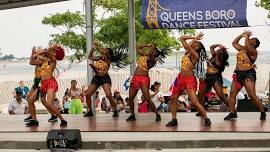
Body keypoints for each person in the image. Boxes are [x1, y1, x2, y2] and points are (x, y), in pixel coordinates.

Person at [166, 33, 211, 127]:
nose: (194, 44)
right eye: (195, 43)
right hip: (180, 78)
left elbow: (186, 44)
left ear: (198, 48)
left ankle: (206, 118)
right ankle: (174, 119)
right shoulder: (187, 52)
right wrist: (194, 38)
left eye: (197, 44)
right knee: (173, 99)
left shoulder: (195, 55)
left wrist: (194, 40)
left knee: (195, 102)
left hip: (189, 80)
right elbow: (182, 38)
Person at [224, 30, 266, 120]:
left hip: (248, 74)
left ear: (254, 44)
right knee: (232, 94)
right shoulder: (243, 49)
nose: (250, 38)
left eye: (252, 39)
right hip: (238, 74)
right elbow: (234, 43)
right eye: (250, 38)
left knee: (252, 96)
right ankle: (232, 113)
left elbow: (247, 45)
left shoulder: (253, 51)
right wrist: (241, 35)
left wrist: (246, 37)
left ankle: (262, 111)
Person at [25, 44, 67, 127]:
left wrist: (48, 49)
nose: (52, 52)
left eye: (54, 52)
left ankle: (62, 120)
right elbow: (32, 61)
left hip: (50, 83)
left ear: (55, 54)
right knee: (30, 101)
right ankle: (34, 120)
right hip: (43, 84)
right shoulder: (44, 60)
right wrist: (33, 53)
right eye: (52, 51)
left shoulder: (53, 60)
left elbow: (46, 52)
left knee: (49, 104)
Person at [83, 42, 128, 117]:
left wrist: (99, 46)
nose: (104, 50)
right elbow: (90, 57)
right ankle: (90, 111)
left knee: (109, 95)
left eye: (106, 50)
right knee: (88, 95)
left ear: (108, 53)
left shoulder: (108, 59)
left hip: (105, 78)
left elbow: (105, 53)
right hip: (97, 78)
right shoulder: (99, 57)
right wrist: (93, 48)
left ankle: (115, 110)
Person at [126, 44, 167, 121]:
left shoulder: (153, 60)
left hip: (144, 79)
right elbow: (137, 47)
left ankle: (157, 114)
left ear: (155, 53)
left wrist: (152, 47)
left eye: (154, 50)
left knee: (147, 98)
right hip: (135, 78)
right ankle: (132, 115)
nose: (152, 50)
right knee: (130, 98)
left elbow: (151, 53)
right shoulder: (144, 55)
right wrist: (147, 45)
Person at [24, 47, 58, 123]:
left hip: (40, 82)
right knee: (39, 100)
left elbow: (32, 62)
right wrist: (33, 53)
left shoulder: (42, 61)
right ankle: (51, 115)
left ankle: (35, 117)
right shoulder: (40, 60)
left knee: (31, 100)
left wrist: (35, 53)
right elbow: (31, 61)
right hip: (36, 82)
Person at [197, 44, 230, 116]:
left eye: (219, 50)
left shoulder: (220, 60)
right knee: (200, 94)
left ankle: (233, 110)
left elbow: (216, 65)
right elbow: (211, 47)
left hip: (216, 78)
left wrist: (209, 63)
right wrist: (219, 45)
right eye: (218, 50)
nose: (217, 50)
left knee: (221, 96)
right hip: (208, 77)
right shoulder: (214, 56)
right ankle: (201, 111)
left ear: (221, 54)